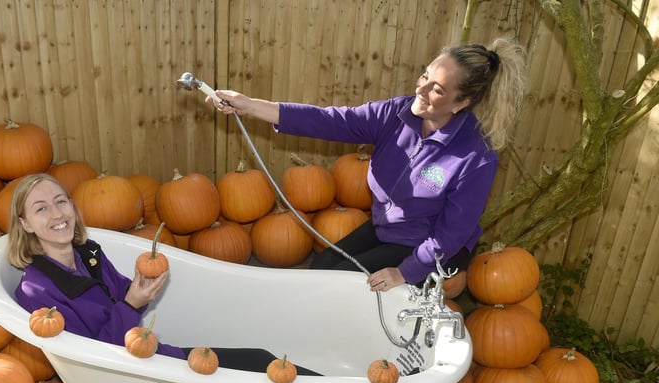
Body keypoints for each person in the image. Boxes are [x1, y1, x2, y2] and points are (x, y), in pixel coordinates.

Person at [211, 37, 526, 292]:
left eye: (438, 89)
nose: (422, 89)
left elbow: (450, 237)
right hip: (388, 229)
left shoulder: (475, 157)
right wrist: (250, 105)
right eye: (426, 75)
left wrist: (404, 272)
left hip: (428, 246)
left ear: (461, 103)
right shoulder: (397, 114)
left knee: (341, 286)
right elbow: (329, 121)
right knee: (320, 270)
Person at [7, 173, 319, 374]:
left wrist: (139, 289)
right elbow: (93, 361)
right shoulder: (38, 291)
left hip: (148, 355)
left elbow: (121, 295)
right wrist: (131, 304)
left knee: (258, 358)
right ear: (25, 224)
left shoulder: (88, 253)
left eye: (61, 202)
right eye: (41, 208)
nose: (58, 214)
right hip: (138, 375)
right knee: (258, 365)